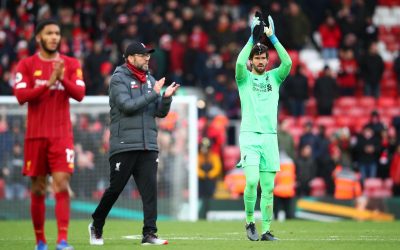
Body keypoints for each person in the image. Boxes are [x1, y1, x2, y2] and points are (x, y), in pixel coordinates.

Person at [88, 41, 179, 246]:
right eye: (142, 55)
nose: (147, 58)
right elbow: (127, 107)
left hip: (148, 144)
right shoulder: (118, 79)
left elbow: (159, 112)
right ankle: (97, 223)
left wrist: (165, 98)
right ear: (130, 58)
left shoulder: (150, 80)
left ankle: (149, 233)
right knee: (115, 189)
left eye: (148, 55)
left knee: (150, 191)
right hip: (124, 143)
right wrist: (154, 93)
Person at [13, 19, 86, 250]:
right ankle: (40, 242)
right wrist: (48, 84)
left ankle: (62, 240)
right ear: (39, 38)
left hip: (61, 135)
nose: (54, 37)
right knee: (38, 188)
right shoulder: (26, 65)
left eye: (57, 33)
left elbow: (80, 94)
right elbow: (21, 96)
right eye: (49, 33)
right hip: (35, 136)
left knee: (62, 185)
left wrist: (61, 78)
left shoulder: (71, 64)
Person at [235, 13, 292, 241]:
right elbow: (239, 62)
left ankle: (266, 230)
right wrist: (251, 39)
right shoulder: (244, 79)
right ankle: (250, 222)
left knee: (268, 188)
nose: (259, 61)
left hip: (270, 138)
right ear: (252, 61)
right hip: (249, 136)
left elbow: (288, 63)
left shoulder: (274, 78)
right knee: (251, 182)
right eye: (256, 58)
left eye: (263, 58)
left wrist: (274, 38)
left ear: (267, 60)